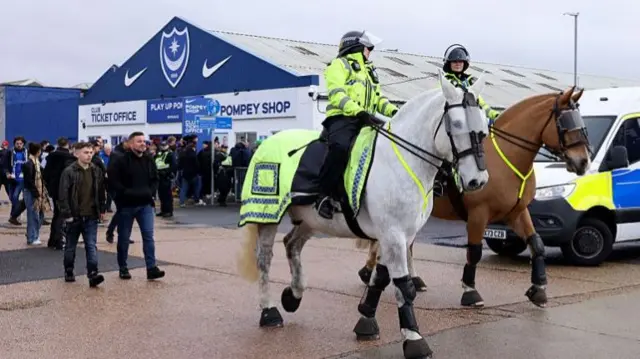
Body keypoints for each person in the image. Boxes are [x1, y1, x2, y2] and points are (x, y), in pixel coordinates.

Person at [317, 30, 399, 219]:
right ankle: (323, 194)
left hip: (364, 120)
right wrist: (358, 111)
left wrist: (396, 112)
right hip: (342, 118)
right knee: (340, 148)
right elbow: (337, 94)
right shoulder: (339, 65)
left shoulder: (369, 71)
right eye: (367, 48)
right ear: (355, 46)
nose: (370, 51)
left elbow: (378, 100)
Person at [107, 131, 165, 281]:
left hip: (145, 204)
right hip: (126, 206)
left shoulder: (148, 160)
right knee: (124, 238)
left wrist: (150, 192)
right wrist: (124, 194)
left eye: (144, 141)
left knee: (148, 237)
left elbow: (155, 179)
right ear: (130, 144)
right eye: (139, 141)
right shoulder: (120, 161)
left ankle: (151, 268)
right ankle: (123, 268)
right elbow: (113, 181)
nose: (143, 144)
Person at [58, 142, 107, 287]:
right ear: (76, 154)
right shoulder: (69, 171)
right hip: (74, 215)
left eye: (91, 152)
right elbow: (63, 194)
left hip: (91, 215)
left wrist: (102, 209)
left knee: (91, 245)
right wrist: (67, 214)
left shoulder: (95, 170)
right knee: (71, 246)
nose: (89, 155)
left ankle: (93, 273)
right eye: (86, 152)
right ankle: (69, 270)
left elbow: (100, 190)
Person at [442, 44, 500, 123]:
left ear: (464, 63)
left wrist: (495, 115)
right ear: (449, 63)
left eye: (460, 61)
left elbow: (481, 103)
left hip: (471, 121)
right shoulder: (445, 82)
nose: (458, 64)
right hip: (454, 123)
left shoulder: (468, 82)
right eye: (454, 61)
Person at [43, 137, 76, 250]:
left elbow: (45, 174)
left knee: (57, 214)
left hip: (53, 188)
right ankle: (58, 241)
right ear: (68, 145)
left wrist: (49, 185)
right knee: (61, 215)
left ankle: (52, 240)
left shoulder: (51, 157)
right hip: (64, 189)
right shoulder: (69, 158)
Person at [22, 142, 51, 245]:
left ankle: (32, 234)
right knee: (33, 215)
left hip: (39, 191)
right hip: (31, 192)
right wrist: (36, 193)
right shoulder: (29, 164)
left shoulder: (37, 163)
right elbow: (29, 181)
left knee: (40, 214)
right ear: (38, 152)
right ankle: (32, 237)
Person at [4, 136, 28, 225]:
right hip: (12, 178)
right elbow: (5, 164)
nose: (19, 145)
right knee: (12, 198)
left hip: (21, 178)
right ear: (14, 144)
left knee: (15, 196)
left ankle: (14, 215)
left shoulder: (26, 152)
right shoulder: (10, 152)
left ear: (23, 144)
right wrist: (7, 173)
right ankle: (14, 215)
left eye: (20, 143)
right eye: (17, 143)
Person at [154, 141, 176, 217]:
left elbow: (173, 165)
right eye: (162, 145)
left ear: (167, 146)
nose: (163, 147)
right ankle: (163, 210)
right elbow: (155, 162)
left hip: (166, 176)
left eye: (164, 145)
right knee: (161, 195)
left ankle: (169, 211)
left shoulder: (170, 154)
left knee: (167, 195)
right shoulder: (159, 154)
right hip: (159, 176)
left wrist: (167, 172)